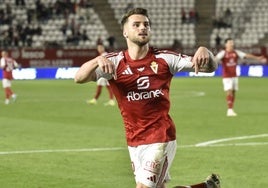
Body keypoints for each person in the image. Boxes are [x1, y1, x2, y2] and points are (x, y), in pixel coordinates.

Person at [75, 8, 220, 188]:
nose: (142, 28)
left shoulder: (165, 59)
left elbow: (210, 67)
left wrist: (205, 51)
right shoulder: (114, 62)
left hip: (160, 136)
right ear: (125, 32)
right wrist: (98, 59)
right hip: (134, 139)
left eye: (146, 24)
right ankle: (206, 187)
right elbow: (79, 78)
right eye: (136, 25)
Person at [215, 38, 267, 117]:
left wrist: (258, 58)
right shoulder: (223, 53)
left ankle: (231, 108)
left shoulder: (236, 52)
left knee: (234, 92)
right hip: (226, 76)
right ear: (226, 44)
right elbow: (216, 59)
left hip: (234, 75)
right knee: (229, 91)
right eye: (229, 43)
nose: (231, 44)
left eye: (232, 43)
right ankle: (229, 110)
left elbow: (246, 55)